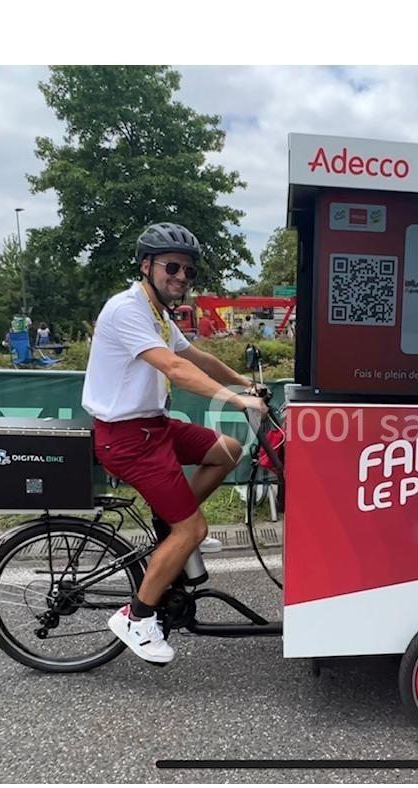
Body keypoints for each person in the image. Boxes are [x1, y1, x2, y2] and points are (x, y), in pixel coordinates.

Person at [83, 222, 267, 665]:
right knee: (194, 530)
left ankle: (169, 528)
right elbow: (174, 369)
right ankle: (138, 616)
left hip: (154, 426)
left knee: (228, 451)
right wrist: (234, 399)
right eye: (172, 267)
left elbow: (194, 357)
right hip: (128, 439)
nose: (181, 277)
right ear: (146, 266)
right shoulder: (126, 309)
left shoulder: (157, 313)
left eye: (188, 271)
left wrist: (247, 383)